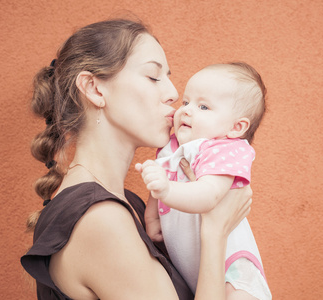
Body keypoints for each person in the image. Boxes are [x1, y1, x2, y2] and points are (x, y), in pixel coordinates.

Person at [20, 18, 254, 300]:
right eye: (153, 77)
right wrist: (215, 230)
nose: (173, 94)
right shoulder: (101, 220)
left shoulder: (130, 204)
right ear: (94, 89)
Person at [136, 63, 272, 300]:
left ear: (236, 127)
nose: (186, 111)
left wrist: (167, 190)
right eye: (186, 102)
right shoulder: (172, 146)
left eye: (203, 106)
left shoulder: (223, 149)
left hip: (233, 271)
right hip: (196, 270)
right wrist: (152, 216)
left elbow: (208, 195)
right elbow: (161, 180)